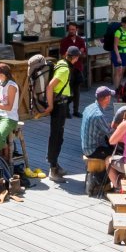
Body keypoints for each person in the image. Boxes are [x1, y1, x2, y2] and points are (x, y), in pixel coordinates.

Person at [46, 49, 73, 180]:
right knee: (56, 136)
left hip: (61, 104)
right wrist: (50, 105)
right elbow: (50, 86)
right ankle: (53, 169)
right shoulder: (65, 69)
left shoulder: (61, 63)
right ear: (75, 58)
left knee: (57, 135)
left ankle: (55, 164)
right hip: (59, 105)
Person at [0, 63, 22, 162]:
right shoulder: (0, 82)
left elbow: (9, 107)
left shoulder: (11, 86)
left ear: (3, 74)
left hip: (9, 117)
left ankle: (5, 150)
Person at [109, 16, 126, 90]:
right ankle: (116, 89)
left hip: (124, 53)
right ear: (122, 23)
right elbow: (115, 45)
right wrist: (118, 57)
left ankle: (119, 87)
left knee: (122, 71)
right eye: (125, 23)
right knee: (118, 70)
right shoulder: (118, 32)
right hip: (116, 53)